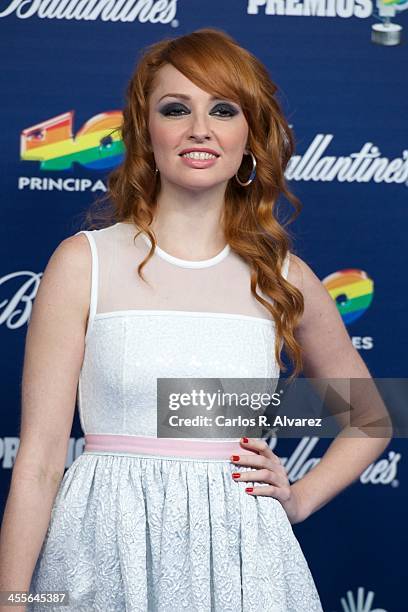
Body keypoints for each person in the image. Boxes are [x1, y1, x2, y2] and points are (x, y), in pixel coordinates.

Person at [0, 28, 391, 612]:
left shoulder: (283, 275)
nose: (199, 128)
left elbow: (371, 417)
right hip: (99, 554)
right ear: (145, 132)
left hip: (244, 563)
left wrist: (300, 499)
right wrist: (14, 598)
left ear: (249, 137)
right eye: (176, 108)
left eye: (223, 109)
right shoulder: (84, 263)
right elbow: (38, 460)